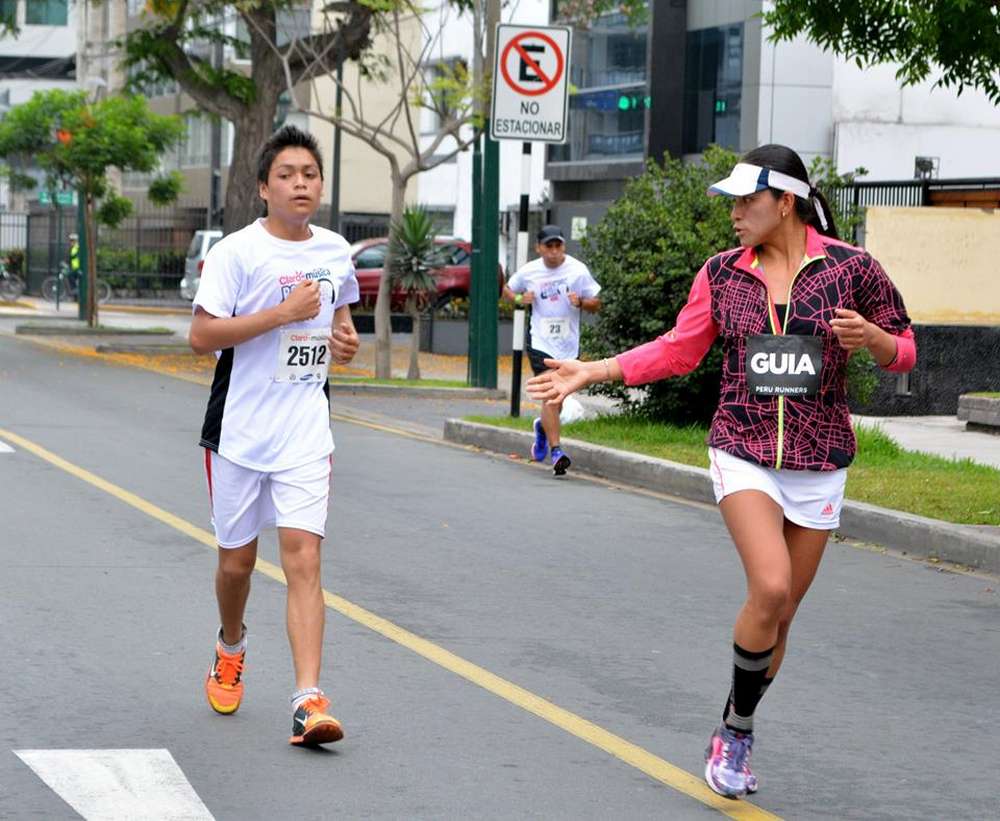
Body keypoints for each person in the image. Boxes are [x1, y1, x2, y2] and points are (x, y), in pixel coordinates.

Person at [526, 144, 916, 799]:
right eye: (732, 202)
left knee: (783, 614)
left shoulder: (853, 270)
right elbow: (679, 349)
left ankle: (737, 720)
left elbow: (904, 348)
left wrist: (871, 341)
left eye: (746, 201)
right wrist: (592, 369)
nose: (734, 213)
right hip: (742, 447)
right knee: (770, 587)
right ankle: (735, 738)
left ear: (784, 201)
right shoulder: (722, 273)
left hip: (820, 461)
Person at [189, 124, 361, 747]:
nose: (300, 184)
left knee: (304, 559)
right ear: (263, 187)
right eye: (286, 175)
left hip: (304, 430)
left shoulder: (337, 252)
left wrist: (344, 342)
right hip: (238, 431)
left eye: (309, 175)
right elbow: (202, 336)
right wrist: (280, 315)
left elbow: (340, 327)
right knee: (237, 564)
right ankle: (230, 645)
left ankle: (307, 699)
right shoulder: (237, 253)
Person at [503, 225, 601, 475]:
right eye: (549, 246)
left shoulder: (577, 270)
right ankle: (557, 451)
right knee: (550, 395)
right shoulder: (530, 271)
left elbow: (596, 302)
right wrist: (518, 300)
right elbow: (508, 290)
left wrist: (580, 302)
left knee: (559, 398)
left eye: (558, 246)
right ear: (539, 248)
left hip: (568, 345)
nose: (554, 252)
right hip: (541, 343)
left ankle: (542, 427)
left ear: (564, 247)